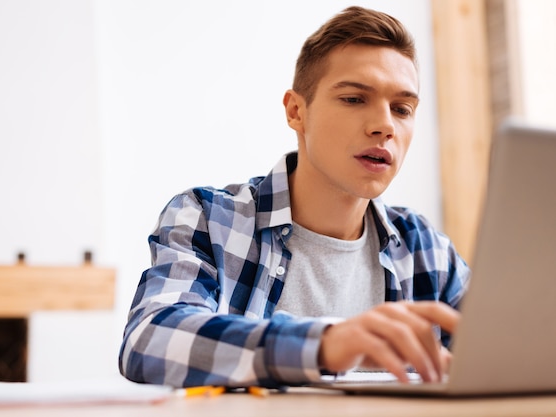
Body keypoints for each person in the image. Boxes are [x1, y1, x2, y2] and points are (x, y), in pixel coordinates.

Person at [119, 5, 470, 389]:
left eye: (402, 108)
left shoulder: (427, 250)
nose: (385, 125)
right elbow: (148, 340)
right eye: (354, 99)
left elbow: (509, 356)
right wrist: (324, 344)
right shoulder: (208, 217)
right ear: (296, 111)